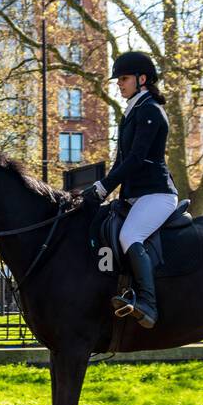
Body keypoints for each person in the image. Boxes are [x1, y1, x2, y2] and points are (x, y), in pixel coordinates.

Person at [76, 51, 178, 328]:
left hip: (157, 194)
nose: (119, 84)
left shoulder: (150, 111)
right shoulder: (132, 111)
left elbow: (135, 160)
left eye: (124, 78)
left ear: (141, 79)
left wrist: (102, 187)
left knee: (130, 234)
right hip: (135, 195)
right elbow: (122, 161)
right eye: (119, 79)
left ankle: (148, 303)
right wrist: (101, 192)